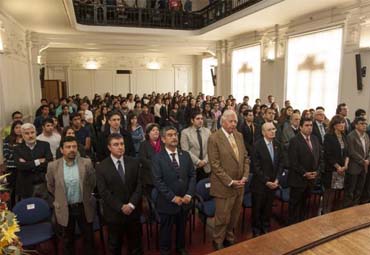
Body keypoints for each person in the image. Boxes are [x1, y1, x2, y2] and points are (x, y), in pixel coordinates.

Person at [46, 136, 96, 255]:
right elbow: (51, 186)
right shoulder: (53, 166)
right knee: (68, 240)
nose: (72, 149)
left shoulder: (86, 163)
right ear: (62, 150)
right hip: (64, 207)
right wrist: (60, 197)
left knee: (89, 238)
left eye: (74, 146)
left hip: (83, 206)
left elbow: (92, 183)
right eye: (68, 147)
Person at [207, 110, 250, 250]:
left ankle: (229, 236)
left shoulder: (239, 135)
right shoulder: (214, 138)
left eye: (235, 121)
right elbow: (215, 165)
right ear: (222, 122)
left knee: (234, 215)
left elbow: (245, 158)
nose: (234, 124)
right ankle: (218, 239)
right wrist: (230, 181)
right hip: (224, 186)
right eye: (231, 121)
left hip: (240, 185)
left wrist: (245, 176)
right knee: (222, 217)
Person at [96, 133, 143, 255]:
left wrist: (131, 205)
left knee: (136, 245)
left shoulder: (134, 162)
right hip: (114, 214)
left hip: (133, 212)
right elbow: (103, 192)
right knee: (115, 246)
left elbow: (139, 186)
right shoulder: (101, 167)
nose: (120, 147)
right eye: (116, 144)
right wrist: (121, 207)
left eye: (122, 144)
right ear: (109, 147)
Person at [152, 126, 196, 255]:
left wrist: (189, 194)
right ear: (163, 139)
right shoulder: (157, 158)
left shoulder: (185, 155)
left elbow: (192, 175)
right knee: (166, 230)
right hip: (167, 203)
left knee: (181, 227)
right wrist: (172, 197)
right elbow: (158, 181)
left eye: (175, 134)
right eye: (170, 135)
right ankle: (165, 251)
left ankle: (180, 247)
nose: (174, 137)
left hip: (184, 201)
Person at [250, 122, 284, 237]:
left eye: (274, 129)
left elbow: (281, 163)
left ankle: (265, 227)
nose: (273, 131)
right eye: (270, 130)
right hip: (260, 185)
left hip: (273, 183)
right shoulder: (257, 145)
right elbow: (255, 167)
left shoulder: (278, 144)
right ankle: (256, 230)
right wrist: (266, 181)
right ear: (263, 132)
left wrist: (277, 179)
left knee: (268, 208)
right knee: (257, 209)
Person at [288, 118, 322, 224]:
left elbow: (320, 157)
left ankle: (301, 225)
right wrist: (305, 173)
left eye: (311, 125)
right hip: (298, 179)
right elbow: (293, 161)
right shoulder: (294, 140)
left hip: (311, 179)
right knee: (294, 205)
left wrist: (317, 171)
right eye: (307, 125)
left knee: (304, 204)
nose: (309, 128)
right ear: (301, 127)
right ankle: (292, 226)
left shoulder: (315, 139)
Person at [14, 123, 53, 201]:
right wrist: (38, 161)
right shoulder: (17, 149)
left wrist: (27, 163)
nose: (30, 135)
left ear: (36, 133)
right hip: (26, 187)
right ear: (22, 135)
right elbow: (20, 166)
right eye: (27, 133)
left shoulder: (45, 145)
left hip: (43, 184)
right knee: (28, 211)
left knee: (46, 208)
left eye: (32, 132)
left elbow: (48, 163)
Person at [322, 115, 348, 213]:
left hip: (342, 168)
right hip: (332, 169)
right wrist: (338, 167)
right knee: (329, 192)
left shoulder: (344, 136)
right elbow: (328, 155)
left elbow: (347, 153)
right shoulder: (328, 137)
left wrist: (345, 166)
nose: (342, 125)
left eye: (343, 122)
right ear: (334, 125)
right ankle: (325, 212)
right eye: (340, 123)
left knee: (338, 192)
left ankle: (334, 213)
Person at [344, 117, 370, 207]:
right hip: (354, 167)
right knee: (350, 191)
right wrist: (363, 161)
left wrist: (368, 160)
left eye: (365, 123)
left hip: (364, 168)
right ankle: (347, 211)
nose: (364, 125)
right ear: (356, 125)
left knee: (359, 190)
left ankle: (355, 209)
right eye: (362, 123)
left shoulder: (366, 136)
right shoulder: (351, 136)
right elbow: (351, 152)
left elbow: (368, 151)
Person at [181, 111, 211, 182]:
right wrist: (198, 162)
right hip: (193, 166)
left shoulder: (207, 131)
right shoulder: (185, 132)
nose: (200, 121)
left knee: (205, 189)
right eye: (198, 119)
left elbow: (211, 148)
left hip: (206, 166)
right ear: (192, 120)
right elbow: (185, 150)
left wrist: (205, 161)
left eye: (201, 119)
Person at [3, 120, 23, 208]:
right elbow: (6, 155)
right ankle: (12, 208)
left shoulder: (25, 138)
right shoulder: (8, 139)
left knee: (22, 189)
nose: (19, 130)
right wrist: (17, 148)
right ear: (13, 129)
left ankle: (22, 207)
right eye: (16, 127)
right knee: (13, 190)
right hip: (12, 168)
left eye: (20, 128)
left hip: (23, 167)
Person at [139, 123, 162, 196]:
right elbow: (142, 159)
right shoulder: (144, 144)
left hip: (163, 174)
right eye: (153, 130)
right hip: (149, 176)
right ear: (148, 133)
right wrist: (155, 165)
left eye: (157, 130)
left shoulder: (163, 143)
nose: (156, 131)